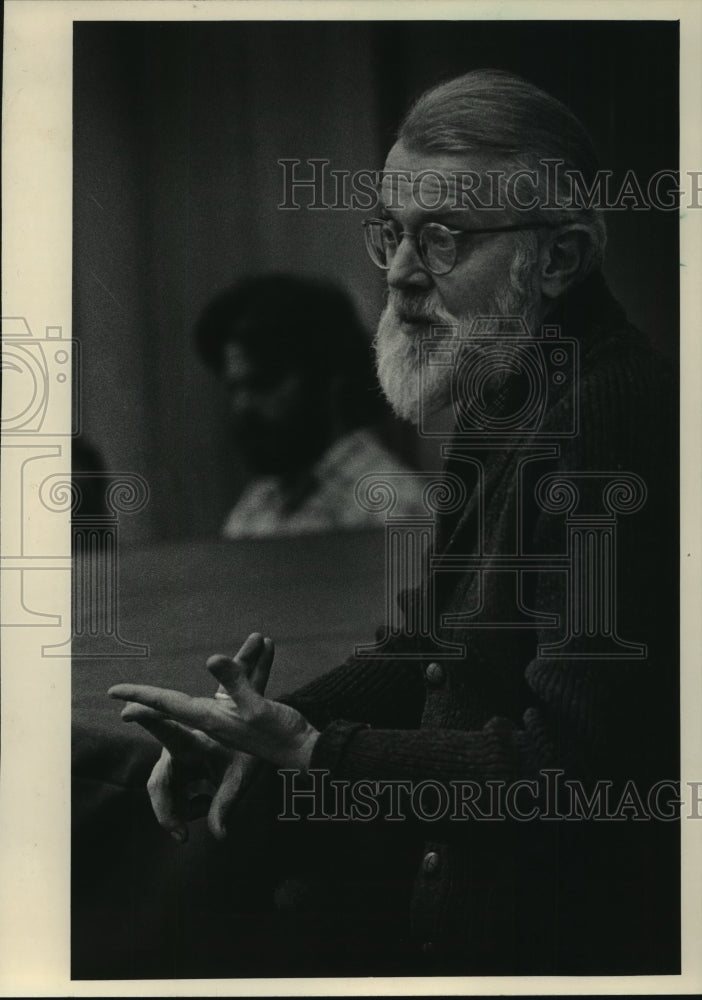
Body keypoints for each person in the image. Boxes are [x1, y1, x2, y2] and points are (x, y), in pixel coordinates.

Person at [109, 70, 679, 975]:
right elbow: (426, 648)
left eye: (445, 238)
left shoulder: (609, 417)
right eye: (393, 233)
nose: (404, 274)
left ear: (561, 259)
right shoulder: (512, 385)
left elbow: (570, 774)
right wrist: (253, 724)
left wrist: (309, 748)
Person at [194, 273, 426, 536]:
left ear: (328, 380)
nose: (242, 406)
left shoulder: (394, 504)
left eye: (265, 383)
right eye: (233, 388)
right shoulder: (255, 507)